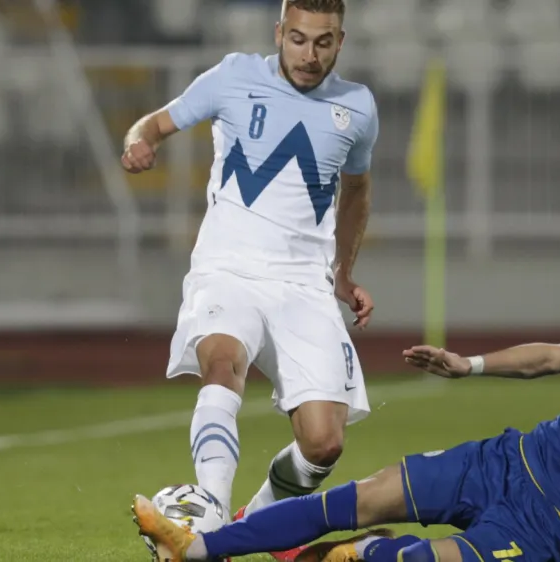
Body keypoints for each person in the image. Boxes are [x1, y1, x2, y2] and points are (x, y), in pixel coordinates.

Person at [132, 291, 560, 562]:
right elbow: (548, 358)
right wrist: (472, 364)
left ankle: (363, 553)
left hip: (542, 530)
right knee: (364, 495)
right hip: (505, 461)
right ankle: (196, 547)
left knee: (394, 558)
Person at [120, 0, 380, 553]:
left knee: (323, 444)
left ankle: (246, 524)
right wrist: (137, 143)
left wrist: (344, 273)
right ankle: (207, 512)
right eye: (299, 39)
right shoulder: (233, 76)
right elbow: (155, 123)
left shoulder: (357, 108)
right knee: (222, 359)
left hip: (304, 284)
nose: (310, 55)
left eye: (324, 42)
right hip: (228, 266)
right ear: (279, 32)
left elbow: (356, 193)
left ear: (341, 41)